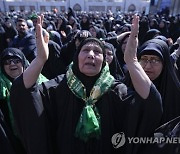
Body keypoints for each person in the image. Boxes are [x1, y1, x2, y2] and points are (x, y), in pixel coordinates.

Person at [10, 15, 162, 154]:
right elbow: (23, 92)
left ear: (104, 61)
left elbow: (151, 103)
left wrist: (132, 61)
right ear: (76, 57)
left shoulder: (116, 90)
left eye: (97, 51)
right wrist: (40, 60)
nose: (91, 54)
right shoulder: (58, 87)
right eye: (86, 50)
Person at [0, 47, 48, 153]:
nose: (12, 64)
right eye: (7, 62)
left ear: (24, 62)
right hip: (14, 141)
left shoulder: (41, 82)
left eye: (17, 60)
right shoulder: (1, 86)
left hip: (39, 135)